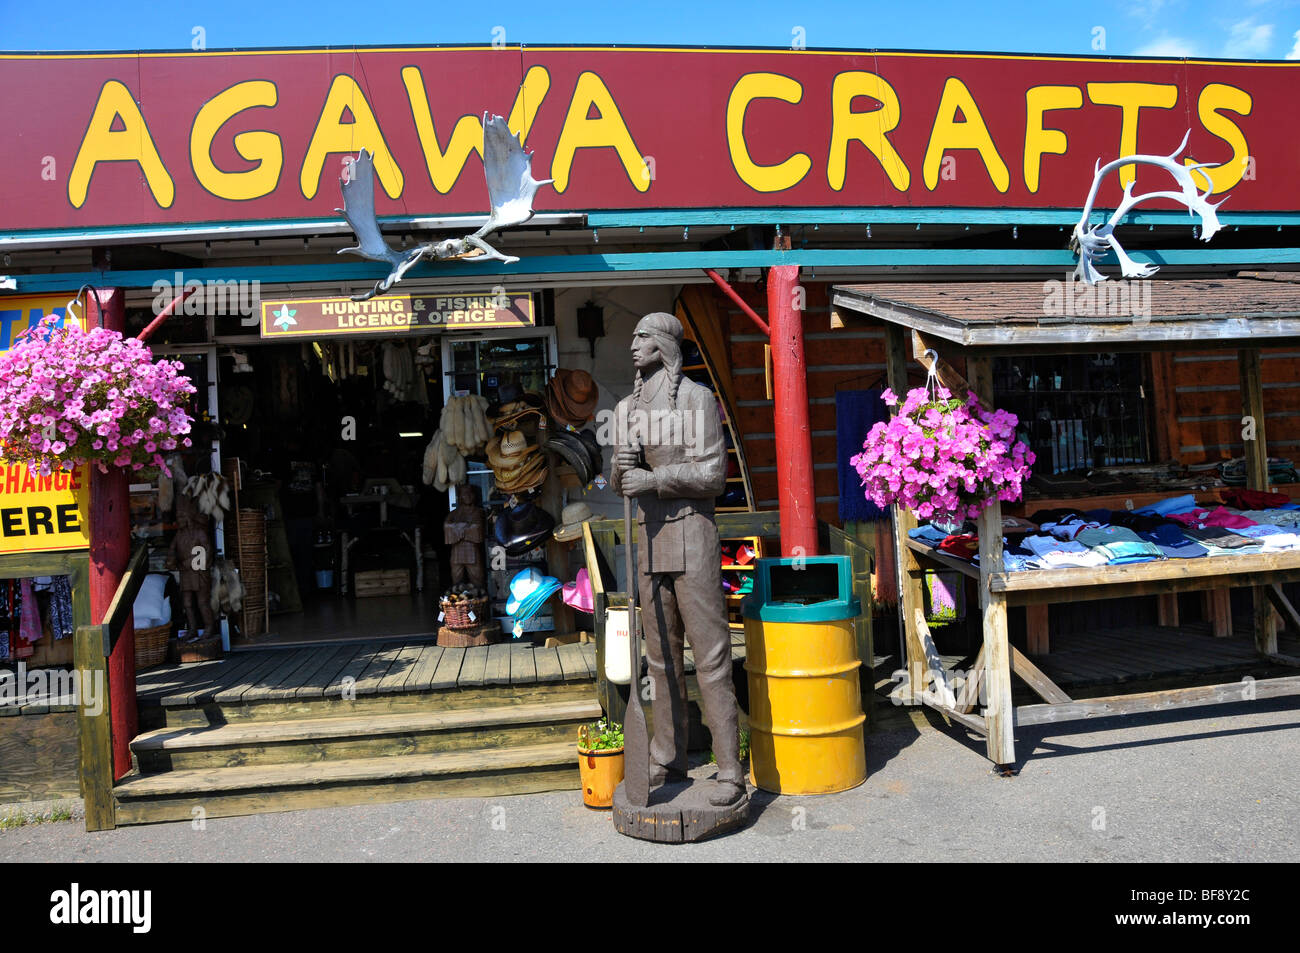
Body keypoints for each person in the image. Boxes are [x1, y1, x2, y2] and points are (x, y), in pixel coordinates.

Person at [610, 312, 745, 807]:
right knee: (659, 658)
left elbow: (714, 473)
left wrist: (654, 479)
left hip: (692, 535)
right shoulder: (625, 408)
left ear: (665, 345)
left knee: (710, 657)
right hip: (648, 540)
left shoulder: (696, 399)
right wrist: (620, 469)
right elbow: (618, 482)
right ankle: (667, 755)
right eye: (632, 336)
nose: (632, 344)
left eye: (641, 336)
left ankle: (730, 769)